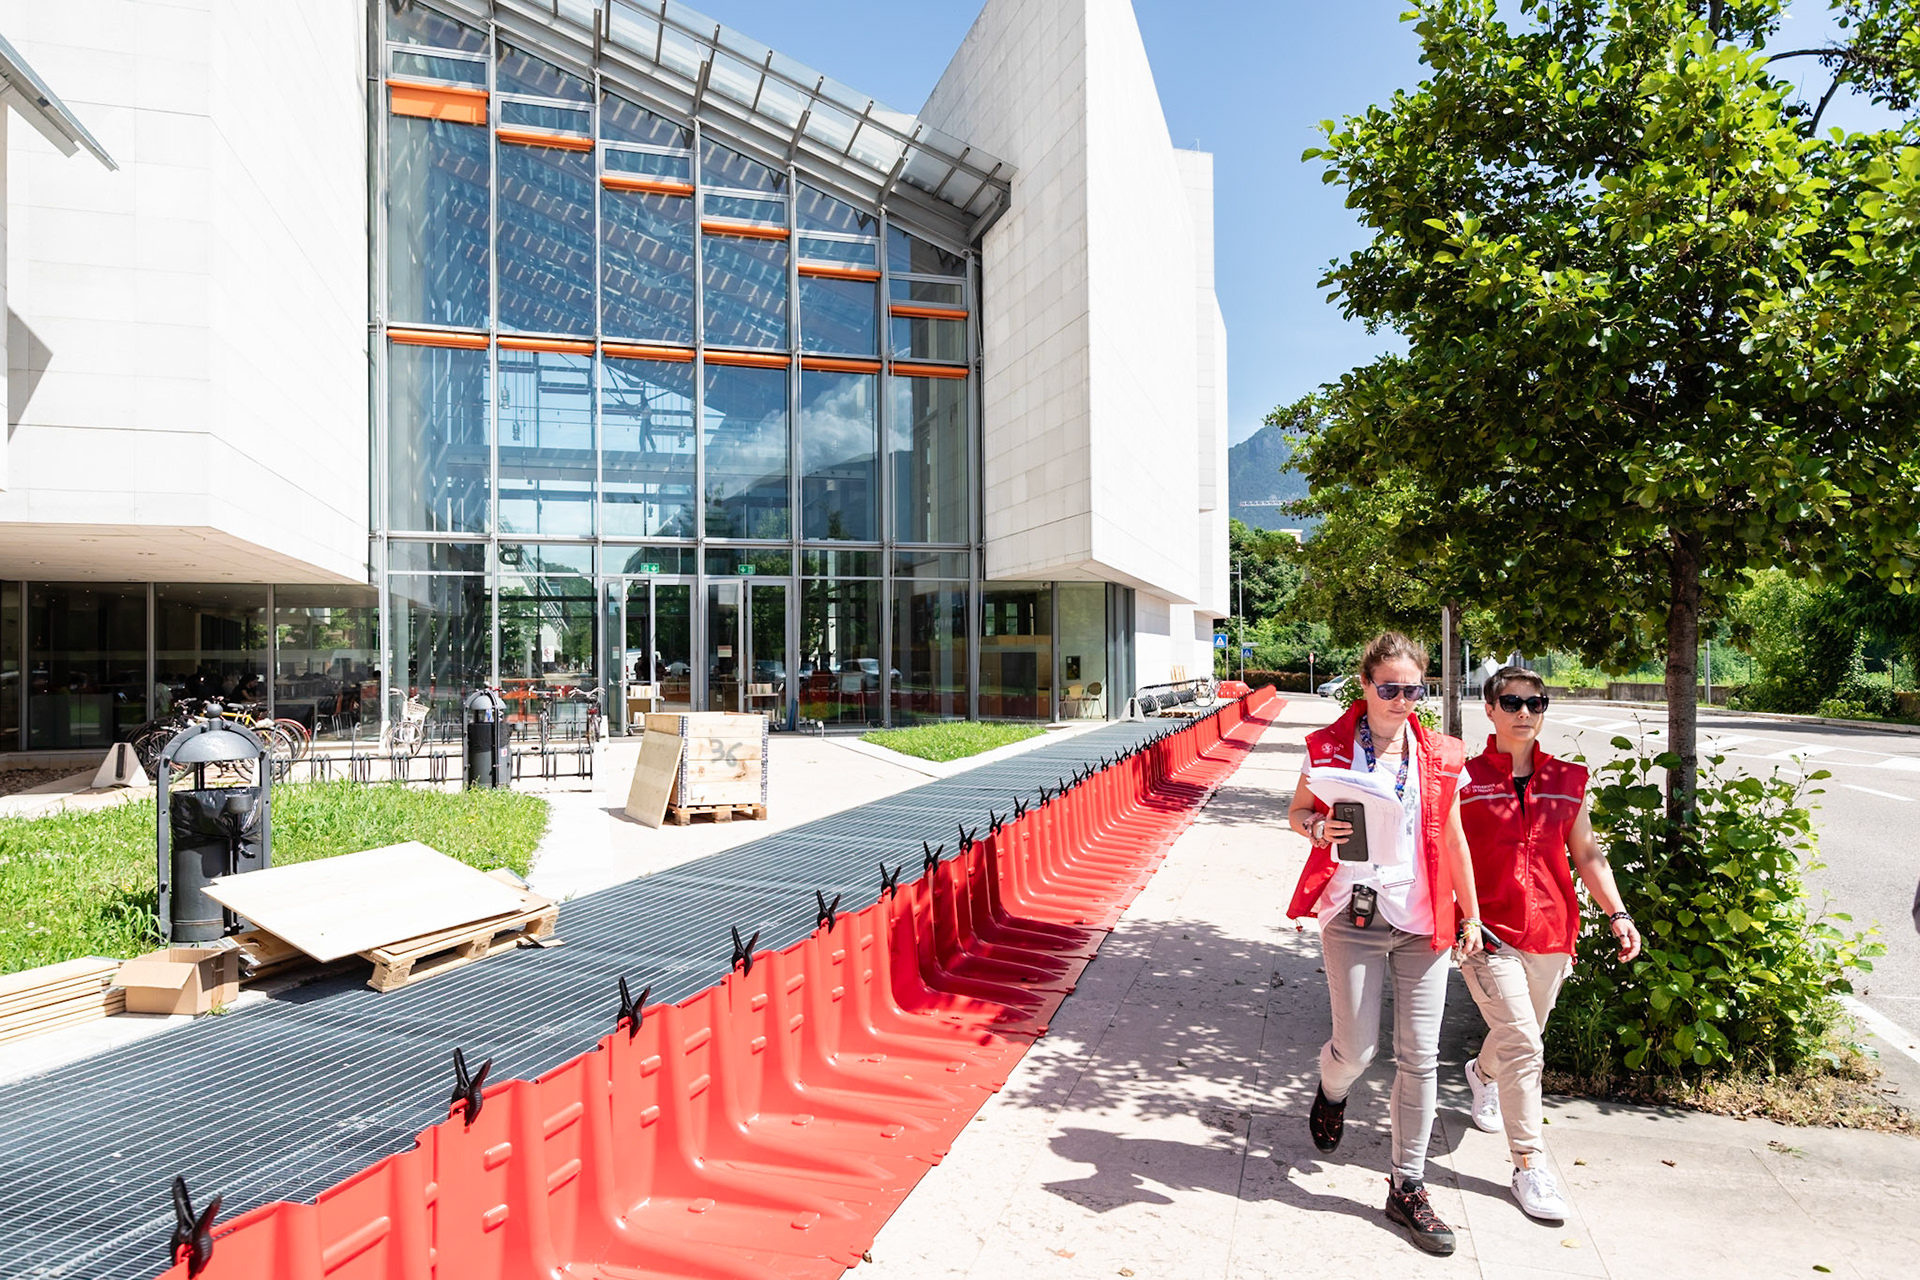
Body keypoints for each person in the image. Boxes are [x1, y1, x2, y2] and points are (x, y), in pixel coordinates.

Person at [1286, 632, 1483, 1256]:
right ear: (1366, 685)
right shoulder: (1329, 747)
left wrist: (1471, 916)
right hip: (1354, 915)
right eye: (1390, 688)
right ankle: (1332, 1090)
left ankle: (1408, 1186)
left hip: (1423, 920)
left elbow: (1455, 839)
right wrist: (1318, 827)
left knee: (1420, 1057)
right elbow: (1298, 811)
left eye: (1414, 690)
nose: (1403, 700)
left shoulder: (1442, 754)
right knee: (1357, 1050)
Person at [1456, 665, 1641, 1223]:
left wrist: (1618, 912)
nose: (1524, 713)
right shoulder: (1463, 779)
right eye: (1512, 702)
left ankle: (1481, 1075)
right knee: (1524, 1045)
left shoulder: (1567, 778)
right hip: (1487, 932)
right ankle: (1529, 1165)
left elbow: (1587, 854)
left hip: (1552, 931)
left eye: (1535, 703)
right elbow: (1445, 853)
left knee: (1523, 1035)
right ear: (1489, 709)